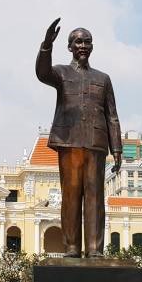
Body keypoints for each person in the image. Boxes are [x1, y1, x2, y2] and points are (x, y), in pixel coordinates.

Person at [36, 18, 122, 257]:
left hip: (96, 144)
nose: (83, 45)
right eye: (78, 42)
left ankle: (95, 249)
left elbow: (112, 115)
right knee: (71, 195)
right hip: (69, 141)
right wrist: (46, 45)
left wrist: (117, 149)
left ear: (92, 46)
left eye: (87, 42)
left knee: (95, 197)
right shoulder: (61, 73)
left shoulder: (103, 78)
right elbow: (42, 73)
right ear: (70, 47)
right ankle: (72, 248)